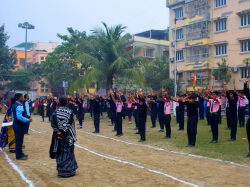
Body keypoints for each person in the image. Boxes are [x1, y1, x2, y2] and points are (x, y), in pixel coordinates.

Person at [50, 96, 78, 177]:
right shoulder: (70, 112)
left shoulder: (55, 112)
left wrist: (58, 131)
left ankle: (61, 171)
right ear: (67, 103)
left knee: (60, 152)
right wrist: (63, 131)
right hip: (68, 135)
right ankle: (69, 171)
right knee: (69, 152)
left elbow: (53, 123)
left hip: (58, 136)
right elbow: (69, 124)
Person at [12, 93, 33, 160]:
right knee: (19, 140)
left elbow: (13, 116)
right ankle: (19, 155)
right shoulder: (19, 106)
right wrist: (27, 120)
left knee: (18, 140)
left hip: (15, 124)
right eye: (21, 97)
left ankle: (20, 153)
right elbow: (19, 117)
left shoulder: (14, 105)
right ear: (19, 98)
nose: (22, 98)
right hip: (19, 125)